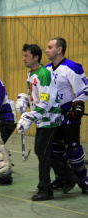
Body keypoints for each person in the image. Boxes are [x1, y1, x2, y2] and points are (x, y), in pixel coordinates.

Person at [16, 44, 78, 201]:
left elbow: (47, 100)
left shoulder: (43, 74)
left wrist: (31, 116)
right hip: (42, 119)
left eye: (27, 56)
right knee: (43, 152)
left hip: (49, 119)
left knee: (42, 152)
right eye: (23, 55)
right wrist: (25, 99)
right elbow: (37, 97)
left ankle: (45, 189)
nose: (23, 58)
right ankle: (69, 177)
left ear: (36, 57)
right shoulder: (31, 74)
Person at [45, 37, 88, 194]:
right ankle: (61, 179)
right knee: (55, 150)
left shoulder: (72, 67)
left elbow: (84, 89)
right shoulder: (47, 69)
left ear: (59, 49)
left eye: (50, 47)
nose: (46, 50)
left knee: (73, 148)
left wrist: (78, 103)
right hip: (53, 115)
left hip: (69, 113)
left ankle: (84, 181)